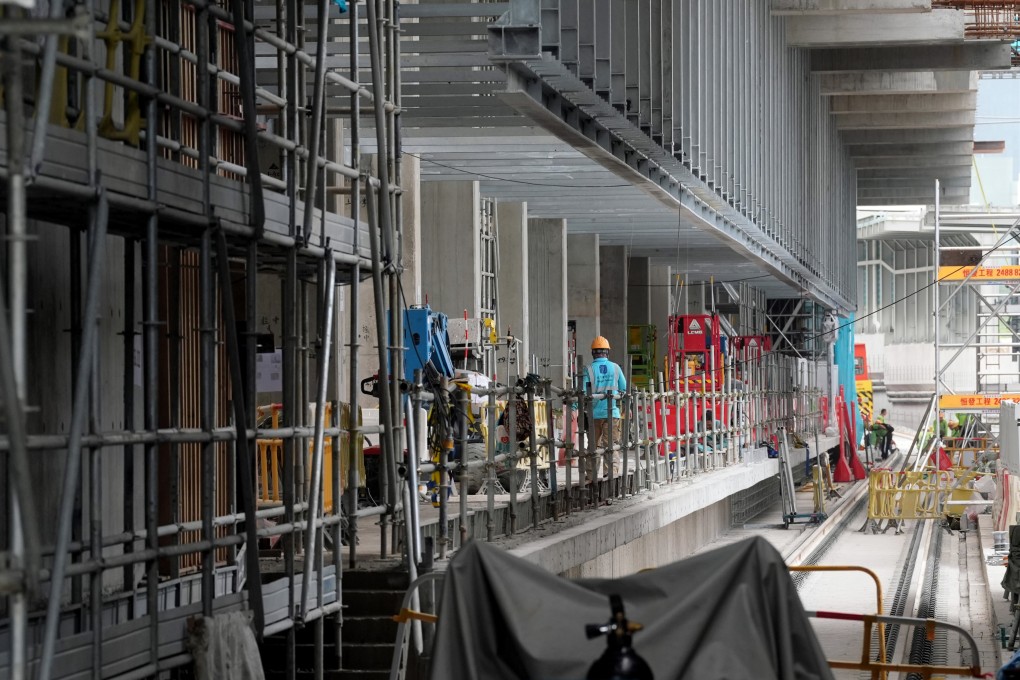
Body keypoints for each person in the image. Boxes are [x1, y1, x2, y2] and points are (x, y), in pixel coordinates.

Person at [583, 336, 627, 478]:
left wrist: (575, 408)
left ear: (593, 353)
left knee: (593, 447)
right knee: (611, 446)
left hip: (593, 414)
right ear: (607, 352)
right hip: (611, 413)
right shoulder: (615, 368)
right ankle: (611, 474)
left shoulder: (588, 369)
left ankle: (591, 476)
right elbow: (624, 388)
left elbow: (582, 392)